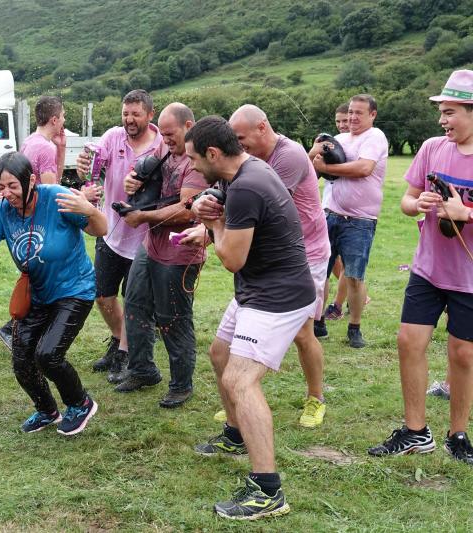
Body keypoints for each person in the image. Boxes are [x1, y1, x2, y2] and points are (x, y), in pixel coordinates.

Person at [185, 117, 315, 520]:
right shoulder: (243, 172)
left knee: (240, 381)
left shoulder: (247, 186)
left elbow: (231, 258)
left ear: (212, 153)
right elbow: (218, 196)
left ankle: (267, 490)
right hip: (257, 289)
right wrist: (205, 202)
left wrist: (211, 222)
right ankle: (236, 433)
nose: (191, 167)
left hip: (276, 296)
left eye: (193, 159)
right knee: (220, 353)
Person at [368, 70, 473, 465]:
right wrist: (419, 204)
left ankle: (457, 434)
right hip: (428, 270)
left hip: (469, 278)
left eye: (450, 112)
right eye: (441, 112)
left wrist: (466, 212)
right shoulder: (431, 148)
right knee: (408, 342)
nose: (442, 120)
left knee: (463, 355)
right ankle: (415, 432)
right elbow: (406, 201)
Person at [0, 152, 106, 435]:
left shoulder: (56, 197)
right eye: (1, 187)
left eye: (13, 186)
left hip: (74, 289)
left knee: (48, 354)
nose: (7, 193)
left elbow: (100, 230)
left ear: (31, 181)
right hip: (38, 294)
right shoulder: (3, 210)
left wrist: (90, 210)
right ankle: (46, 410)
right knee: (21, 359)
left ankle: (80, 403)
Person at [224, 104, 330, 427]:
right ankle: (245, 394)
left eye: (241, 138)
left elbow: (261, 206)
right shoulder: (251, 160)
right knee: (244, 325)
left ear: (262, 127)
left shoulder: (289, 156)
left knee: (302, 333)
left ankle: (316, 399)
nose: (238, 146)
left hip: (306, 253)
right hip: (274, 255)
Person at [110, 103, 206, 409]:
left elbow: (187, 210)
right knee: (135, 303)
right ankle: (142, 370)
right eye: (162, 134)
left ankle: (181, 384)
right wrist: (133, 180)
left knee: (173, 317)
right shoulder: (166, 148)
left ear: (188, 126)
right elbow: (144, 172)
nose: (165, 140)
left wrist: (143, 217)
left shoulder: (198, 160)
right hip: (151, 244)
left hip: (181, 250)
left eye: (170, 134)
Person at [75, 90, 163, 378]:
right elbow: (92, 169)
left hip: (144, 239)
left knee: (135, 301)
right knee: (103, 296)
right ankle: (118, 339)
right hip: (111, 232)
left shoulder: (162, 146)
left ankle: (126, 353)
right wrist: (83, 168)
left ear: (150, 115)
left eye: (136, 114)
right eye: (126, 113)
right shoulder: (113, 137)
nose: (129, 119)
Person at [310, 94, 389, 348]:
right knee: (321, 273)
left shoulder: (375, 136)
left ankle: (354, 327)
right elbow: (312, 171)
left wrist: (327, 168)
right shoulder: (339, 139)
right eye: (351, 112)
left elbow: (364, 168)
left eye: (359, 113)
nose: (353, 117)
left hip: (360, 220)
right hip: (329, 215)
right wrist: (314, 154)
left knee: (354, 276)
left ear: (372, 115)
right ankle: (318, 322)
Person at [0, 95, 67, 350]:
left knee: (34, 279)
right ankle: (13, 330)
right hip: (41, 222)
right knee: (44, 281)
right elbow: (51, 190)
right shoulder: (46, 148)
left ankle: (16, 329)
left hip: (24, 222)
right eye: (63, 116)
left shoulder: (30, 141)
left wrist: (62, 149)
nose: (64, 121)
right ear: (55, 119)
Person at [320, 103, 351, 324]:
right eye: (338, 121)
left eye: (345, 120)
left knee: (348, 264)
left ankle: (338, 304)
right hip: (328, 206)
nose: (341, 125)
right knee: (330, 259)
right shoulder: (334, 143)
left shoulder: (359, 146)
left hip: (350, 212)